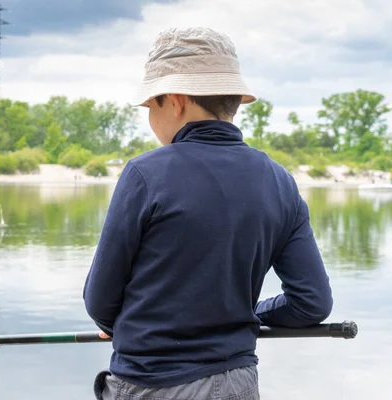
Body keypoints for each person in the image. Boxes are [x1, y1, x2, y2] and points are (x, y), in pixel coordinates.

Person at [83, 27, 333, 400]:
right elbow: (311, 303)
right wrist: (244, 315)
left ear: (176, 99)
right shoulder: (280, 182)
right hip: (238, 383)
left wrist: (122, 324)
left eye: (151, 104)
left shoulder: (145, 174)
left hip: (152, 384)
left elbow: (100, 301)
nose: (150, 118)